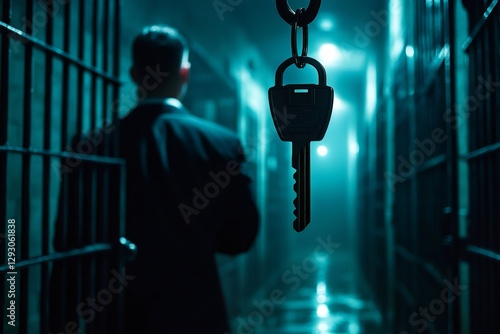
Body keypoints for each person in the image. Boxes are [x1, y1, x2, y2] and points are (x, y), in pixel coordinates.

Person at [50, 25, 259, 333]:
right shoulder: (221, 144)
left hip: (117, 316)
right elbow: (241, 237)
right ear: (184, 73)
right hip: (195, 314)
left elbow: (69, 242)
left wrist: (60, 318)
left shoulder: (94, 145)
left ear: (134, 74)